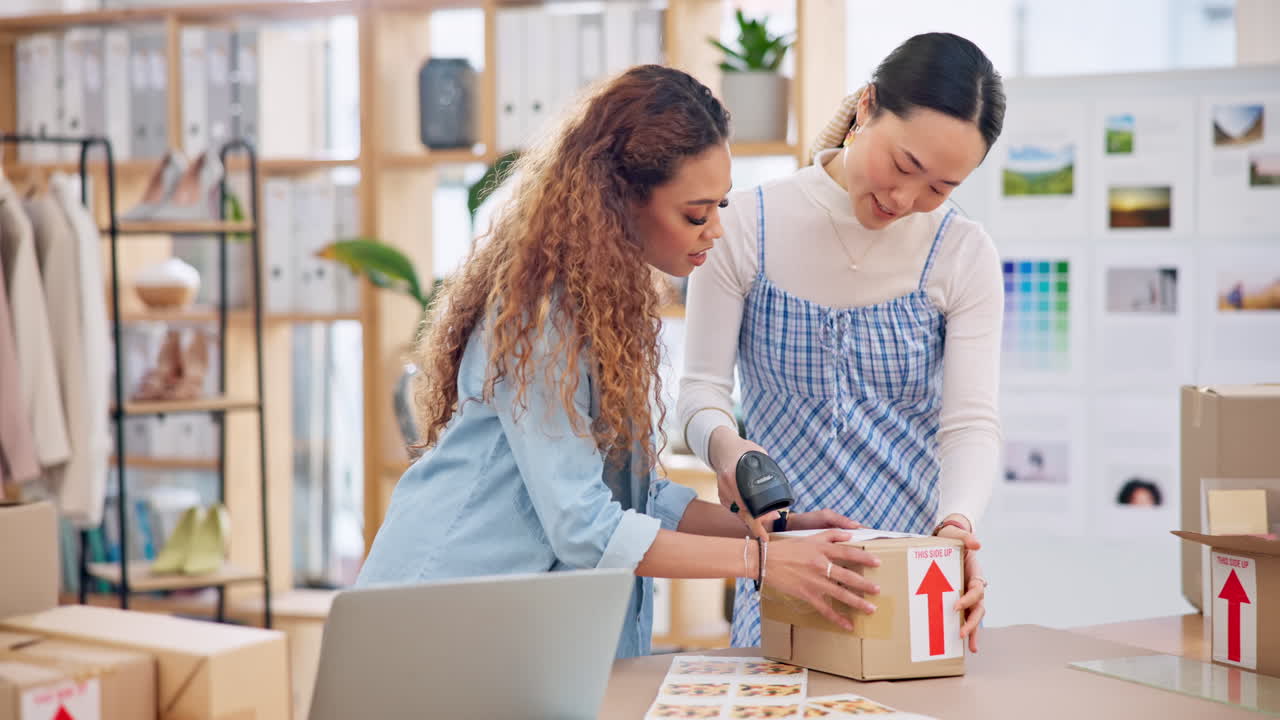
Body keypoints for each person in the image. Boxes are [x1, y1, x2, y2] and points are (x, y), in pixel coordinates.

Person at [356, 65, 878, 659]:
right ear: (622, 199)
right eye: (695, 213)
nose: (716, 231)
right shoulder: (541, 315)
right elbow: (584, 527)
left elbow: (631, 498)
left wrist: (771, 532)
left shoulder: (608, 306)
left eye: (720, 206)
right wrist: (760, 560)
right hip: (433, 620)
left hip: (493, 627)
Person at [678, 33, 1006, 652]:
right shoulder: (747, 224)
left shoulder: (962, 252)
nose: (907, 199)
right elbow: (700, 392)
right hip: (784, 570)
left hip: (915, 575)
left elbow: (970, 424)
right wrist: (728, 448)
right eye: (905, 165)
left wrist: (956, 527)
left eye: (940, 188)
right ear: (867, 107)